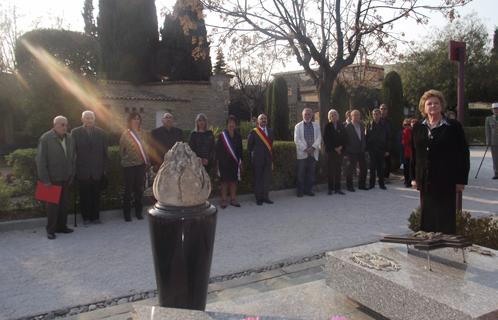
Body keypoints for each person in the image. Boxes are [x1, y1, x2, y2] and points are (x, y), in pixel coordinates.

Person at [411, 89, 470, 234]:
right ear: (424, 107)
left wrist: (461, 180)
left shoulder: (453, 126)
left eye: (436, 103)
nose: (432, 106)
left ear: (441, 105)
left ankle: (445, 248)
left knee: (445, 217)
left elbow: (463, 154)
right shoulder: (418, 127)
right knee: (428, 215)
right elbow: (415, 155)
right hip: (426, 179)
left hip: (446, 179)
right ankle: (427, 246)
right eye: (429, 103)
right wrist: (414, 177)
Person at [36, 116, 75, 239]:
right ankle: (50, 230)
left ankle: (62, 227)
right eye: (61, 124)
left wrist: (71, 173)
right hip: (51, 179)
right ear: (55, 125)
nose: (64, 127)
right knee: (52, 207)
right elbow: (41, 160)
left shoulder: (69, 137)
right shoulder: (46, 138)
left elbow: (73, 157)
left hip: (65, 177)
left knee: (64, 205)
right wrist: (45, 180)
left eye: (66, 124)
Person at [71, 110, 108, 225]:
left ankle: (95, 217)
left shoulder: (101, 133)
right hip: (83, 171)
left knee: (96, 196)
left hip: (97, 171)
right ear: (82, 119)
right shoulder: (75, 132)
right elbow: (72, 152)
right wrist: (74, 169)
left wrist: (105, 169)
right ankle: (86, 218)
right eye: (86, 117)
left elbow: (105, 153)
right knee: (84, 196)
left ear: (94, 119)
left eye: (91, 117)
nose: (89, 119)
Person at [119, 112, 149, 221]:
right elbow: (121, 151)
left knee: (139, 190)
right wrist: (127, 160)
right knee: (128, 190)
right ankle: (127, 214)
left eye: (138, 119)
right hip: (129, 166)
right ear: (130, 121)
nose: (137, 121)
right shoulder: (126, 134)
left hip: (140, 166)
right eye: (134, 119)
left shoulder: (143, 133)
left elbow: (146, 149)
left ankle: (138, 212)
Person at [215, 115, 243, 208]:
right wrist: (218, 162)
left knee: (233, 181)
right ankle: (223, 200)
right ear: (227, 124)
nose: (232, 124)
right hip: (224, 162)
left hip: (234, 162)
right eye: (230, 123)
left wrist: (241, 161)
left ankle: (233, 199)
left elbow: (240, 149)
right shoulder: (222, 135)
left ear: (235, 124)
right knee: (224, 182)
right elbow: (218, 150)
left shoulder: (238, 136)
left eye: (233, 123)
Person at [294, 108, 321, 197]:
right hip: (303, 153)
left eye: (309, 114)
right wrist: (305, 149)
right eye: (305, 114)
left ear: (312, 115)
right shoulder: (298, 126)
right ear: (302, 115)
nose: (307, 116)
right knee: (301, 173)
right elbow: (297, 139)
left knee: (311, 173)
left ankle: (308, 190)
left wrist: (313, 147)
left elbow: (319, 138)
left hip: (313, 153)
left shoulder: (316, 125)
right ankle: (300, 191)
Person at [248, 114, 274, 205]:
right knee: (258, 179)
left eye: (265, 119)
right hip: (257, 160)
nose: (263, 120)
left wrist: (271, 160)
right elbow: (250, 147)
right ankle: (259, 198)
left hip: (268, 159)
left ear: (267, 120)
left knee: (266, 179)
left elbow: (271, 146)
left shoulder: (270, 131)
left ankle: (266, 197)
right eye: (261, 119)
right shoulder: (254, 132)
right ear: (258, 121)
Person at [323, 109, 347, 195]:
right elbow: (326, 139)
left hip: (340, 152)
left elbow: (345, 138)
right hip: (331, 152)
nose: (334, 117)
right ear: (329, 117)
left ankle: (338, 188)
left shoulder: (341, 126)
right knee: (330, 171)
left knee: (338, 170)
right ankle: (330, 188)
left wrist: (341, 147)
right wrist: (334, 148)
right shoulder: (327, 126)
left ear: (338, 116)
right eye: (332, 115)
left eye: (335, 115)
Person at [344, 109, 368, 192]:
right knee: (350, 169)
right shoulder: (348, 127)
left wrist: (364, 146)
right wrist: (347, 151)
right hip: (351, 151)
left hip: (361, 150)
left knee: (364, 168)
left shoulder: (361, 125)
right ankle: (349, 186)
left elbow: (363, 137)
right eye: (355, 115)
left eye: (358, 115)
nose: (357, 117)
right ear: (351, 116)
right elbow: (345, 140)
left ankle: (362, 185)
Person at [366, 108, 389, 190]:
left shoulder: (384, 125)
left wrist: (387, 150)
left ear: (380, 115)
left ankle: (381, 184)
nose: (376, 115)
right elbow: (366, 137)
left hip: (381, 149)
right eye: (374, 114)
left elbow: (387, 138)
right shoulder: (369, 125)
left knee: (381, 168)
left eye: (377, 114)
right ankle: (371, 184)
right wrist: (367, 149)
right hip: (372, 149)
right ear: (372, 115)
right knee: (372, 168)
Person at [485, 103, 498, 179]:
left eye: (497, 109)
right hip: (494, 142)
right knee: (495, 158)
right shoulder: (488, 119)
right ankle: (496, 173)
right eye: (495, 109)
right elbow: (487, 131)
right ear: (492, 110)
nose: (496, 110)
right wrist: (488, 141)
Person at [379, 104, 392, 179]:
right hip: (378, 146)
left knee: (387, 162)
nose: (383, 110)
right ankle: (380, 177)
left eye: (384, 109)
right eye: (381, 109)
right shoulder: (376, 121)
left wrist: (388, 148)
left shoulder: (389, 121)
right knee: (379, 163)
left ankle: (386, 177)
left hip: (387, 144)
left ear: (387, 110)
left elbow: (391, 135)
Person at [401, 118, 413, 187]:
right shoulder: (405, 131)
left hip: (410, 152)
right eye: (405, 124)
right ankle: (407, 181)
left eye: (408, 124)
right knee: (407, 167)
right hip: (406, 152)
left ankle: (408, 181)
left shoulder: (411, 131)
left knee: (409, 167)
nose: (407, 126)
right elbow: (403, 142)